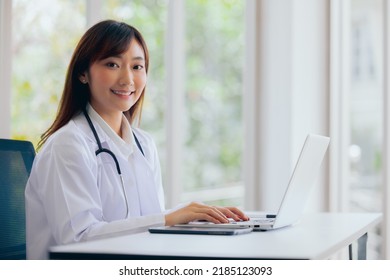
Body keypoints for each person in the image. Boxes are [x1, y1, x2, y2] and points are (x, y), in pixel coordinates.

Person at [25, 20, 248, 260]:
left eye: (137, 67)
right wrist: (168, 218)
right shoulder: (67, 145)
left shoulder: (144, 144)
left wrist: (195, 216)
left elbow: (146, 223)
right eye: (112, 64)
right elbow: (78, 239)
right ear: (83, 74)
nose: (127, 79)